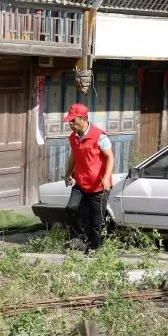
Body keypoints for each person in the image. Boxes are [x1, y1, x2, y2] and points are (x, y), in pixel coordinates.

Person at [62, 103, 115, 254]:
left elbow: (110, 157)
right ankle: (78, 240)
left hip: (99, 187)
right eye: (69, 121)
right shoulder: (73, 138)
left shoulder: (100, 136)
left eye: (73, 120)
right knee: (71, 208)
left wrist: (106, 178)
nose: (71, 124)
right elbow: (73, 157)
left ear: (84, 118)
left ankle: (95, 250)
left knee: (96, 222)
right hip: (81, 182)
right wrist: (68, 173)